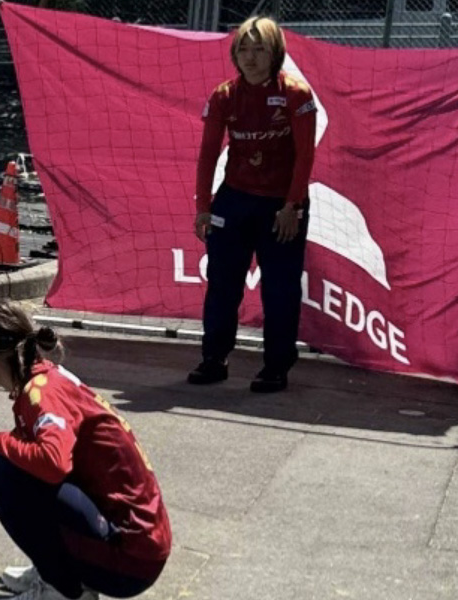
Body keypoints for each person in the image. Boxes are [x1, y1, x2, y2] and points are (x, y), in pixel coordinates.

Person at [0, 300, 171, 600]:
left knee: (1, 474)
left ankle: (63, 590)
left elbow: (53, 462)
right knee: (19, 465)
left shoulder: (41, 392)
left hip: (130, 560)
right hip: (142, 547)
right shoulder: (45, 378)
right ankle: (54, 570)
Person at [190, 16, 317, 393]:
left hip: (282, 205)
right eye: (244, 48)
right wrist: (202, 206)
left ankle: (276, 366)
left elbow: (305, 156)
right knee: (222, 284)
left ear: (275, 52)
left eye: (259, 49)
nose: (250, 57)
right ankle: (214, 358)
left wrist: (292, 206)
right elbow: (208, 154)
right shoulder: (223, 96)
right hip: (234, 200)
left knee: (280, 290)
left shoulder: (297, 94)